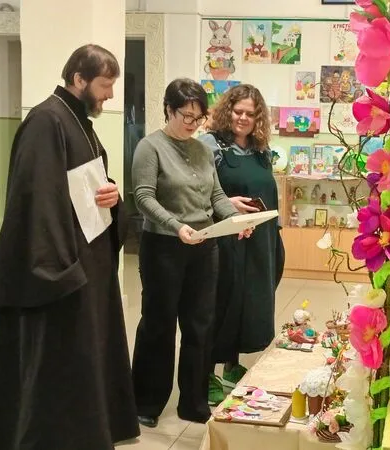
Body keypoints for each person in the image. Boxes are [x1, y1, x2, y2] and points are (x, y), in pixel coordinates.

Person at [0, 44, 138, 449]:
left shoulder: (79, 121)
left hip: (89, 262)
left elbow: (90, 186)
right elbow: (37, 201)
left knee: (86, 357)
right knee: (61, 363)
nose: (110, 94)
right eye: (105, 85)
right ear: (79, 79)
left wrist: (113, 195)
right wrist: (60, 270)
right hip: (62, 270)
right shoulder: (46, 121)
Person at [130, 78, 249, 427]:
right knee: (159, 324)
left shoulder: (202, 149)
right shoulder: (150, 147)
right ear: (168, 110)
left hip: (204, 246)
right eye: (187, 116)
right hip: (164, 246)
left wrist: (234, 220)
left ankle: (193, 402)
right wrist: (175, 225)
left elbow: (216, 196)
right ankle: (146, 402)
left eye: (199, 118)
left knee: (200, 325)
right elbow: (143, 197)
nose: (193, 124)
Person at [197, 84, 285, 405]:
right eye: (238, 111)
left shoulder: (262, 150)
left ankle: (232, 365)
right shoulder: (211, 144)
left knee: (248, 303)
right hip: (226, 238)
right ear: (228, 111)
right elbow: (198, 189)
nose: (243, 118)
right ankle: (206, 372)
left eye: (250, 113)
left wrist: (275, 234)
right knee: (221, 302)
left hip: (261, 238)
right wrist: (226, 202)